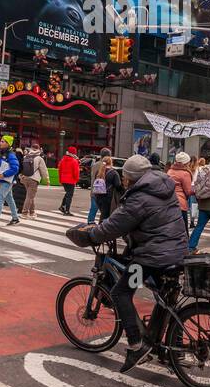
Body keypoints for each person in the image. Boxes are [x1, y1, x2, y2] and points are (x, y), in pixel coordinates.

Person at [65, 154, 188, 372]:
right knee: (164, 298)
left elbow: (115, 225)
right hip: (176, 251)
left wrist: (92, 235)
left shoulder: (140, 198)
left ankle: (136, 344)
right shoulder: (164, 186)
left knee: (121, 293)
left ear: (131, 178)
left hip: (153, 257)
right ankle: (171, 348)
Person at [0, 141, 21, 226]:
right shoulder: (0, 153)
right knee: (9, 199)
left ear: (8, 143)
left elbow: (15, 168)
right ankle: (15, 218)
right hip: (2, 179)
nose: (0, 143)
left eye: (3, 141)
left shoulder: (11, 155)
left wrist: (4, 174)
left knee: (0, 198)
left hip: (7, 180)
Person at [167, 151, 194, 231]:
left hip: (169, 202)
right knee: (183, 229)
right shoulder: (185, 173)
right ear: (186, 163)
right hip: (180, 204)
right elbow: (188, 191)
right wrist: (196, 191)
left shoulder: (170, 171)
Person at [20, 142, 49, 217]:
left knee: (30, 196)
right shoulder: (39, 158)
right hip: (34, 179)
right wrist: (47, 179)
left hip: (25, 178)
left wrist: (21, 175)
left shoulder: (26, 156)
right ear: (39, 149)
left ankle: (32, 212)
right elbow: (43, 170)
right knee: (30, 196)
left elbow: (21, 168)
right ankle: (24, 213)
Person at [88, 151, 112, 223]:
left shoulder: (95, 165)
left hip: (94, 189)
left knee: (93, 208)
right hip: (103, 192)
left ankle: (90, 223)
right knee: (104, 211)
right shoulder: (106, 166)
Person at [58, 145, 80, 215]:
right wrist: (76, 179)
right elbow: (76, 172)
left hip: (64, 179)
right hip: (71, 180)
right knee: (69, 195)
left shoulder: (62, 160)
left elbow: (59, 170)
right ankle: (67, 210)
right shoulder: (74, 161)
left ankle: (62, 206)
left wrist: (60, 179)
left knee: (67, 193)